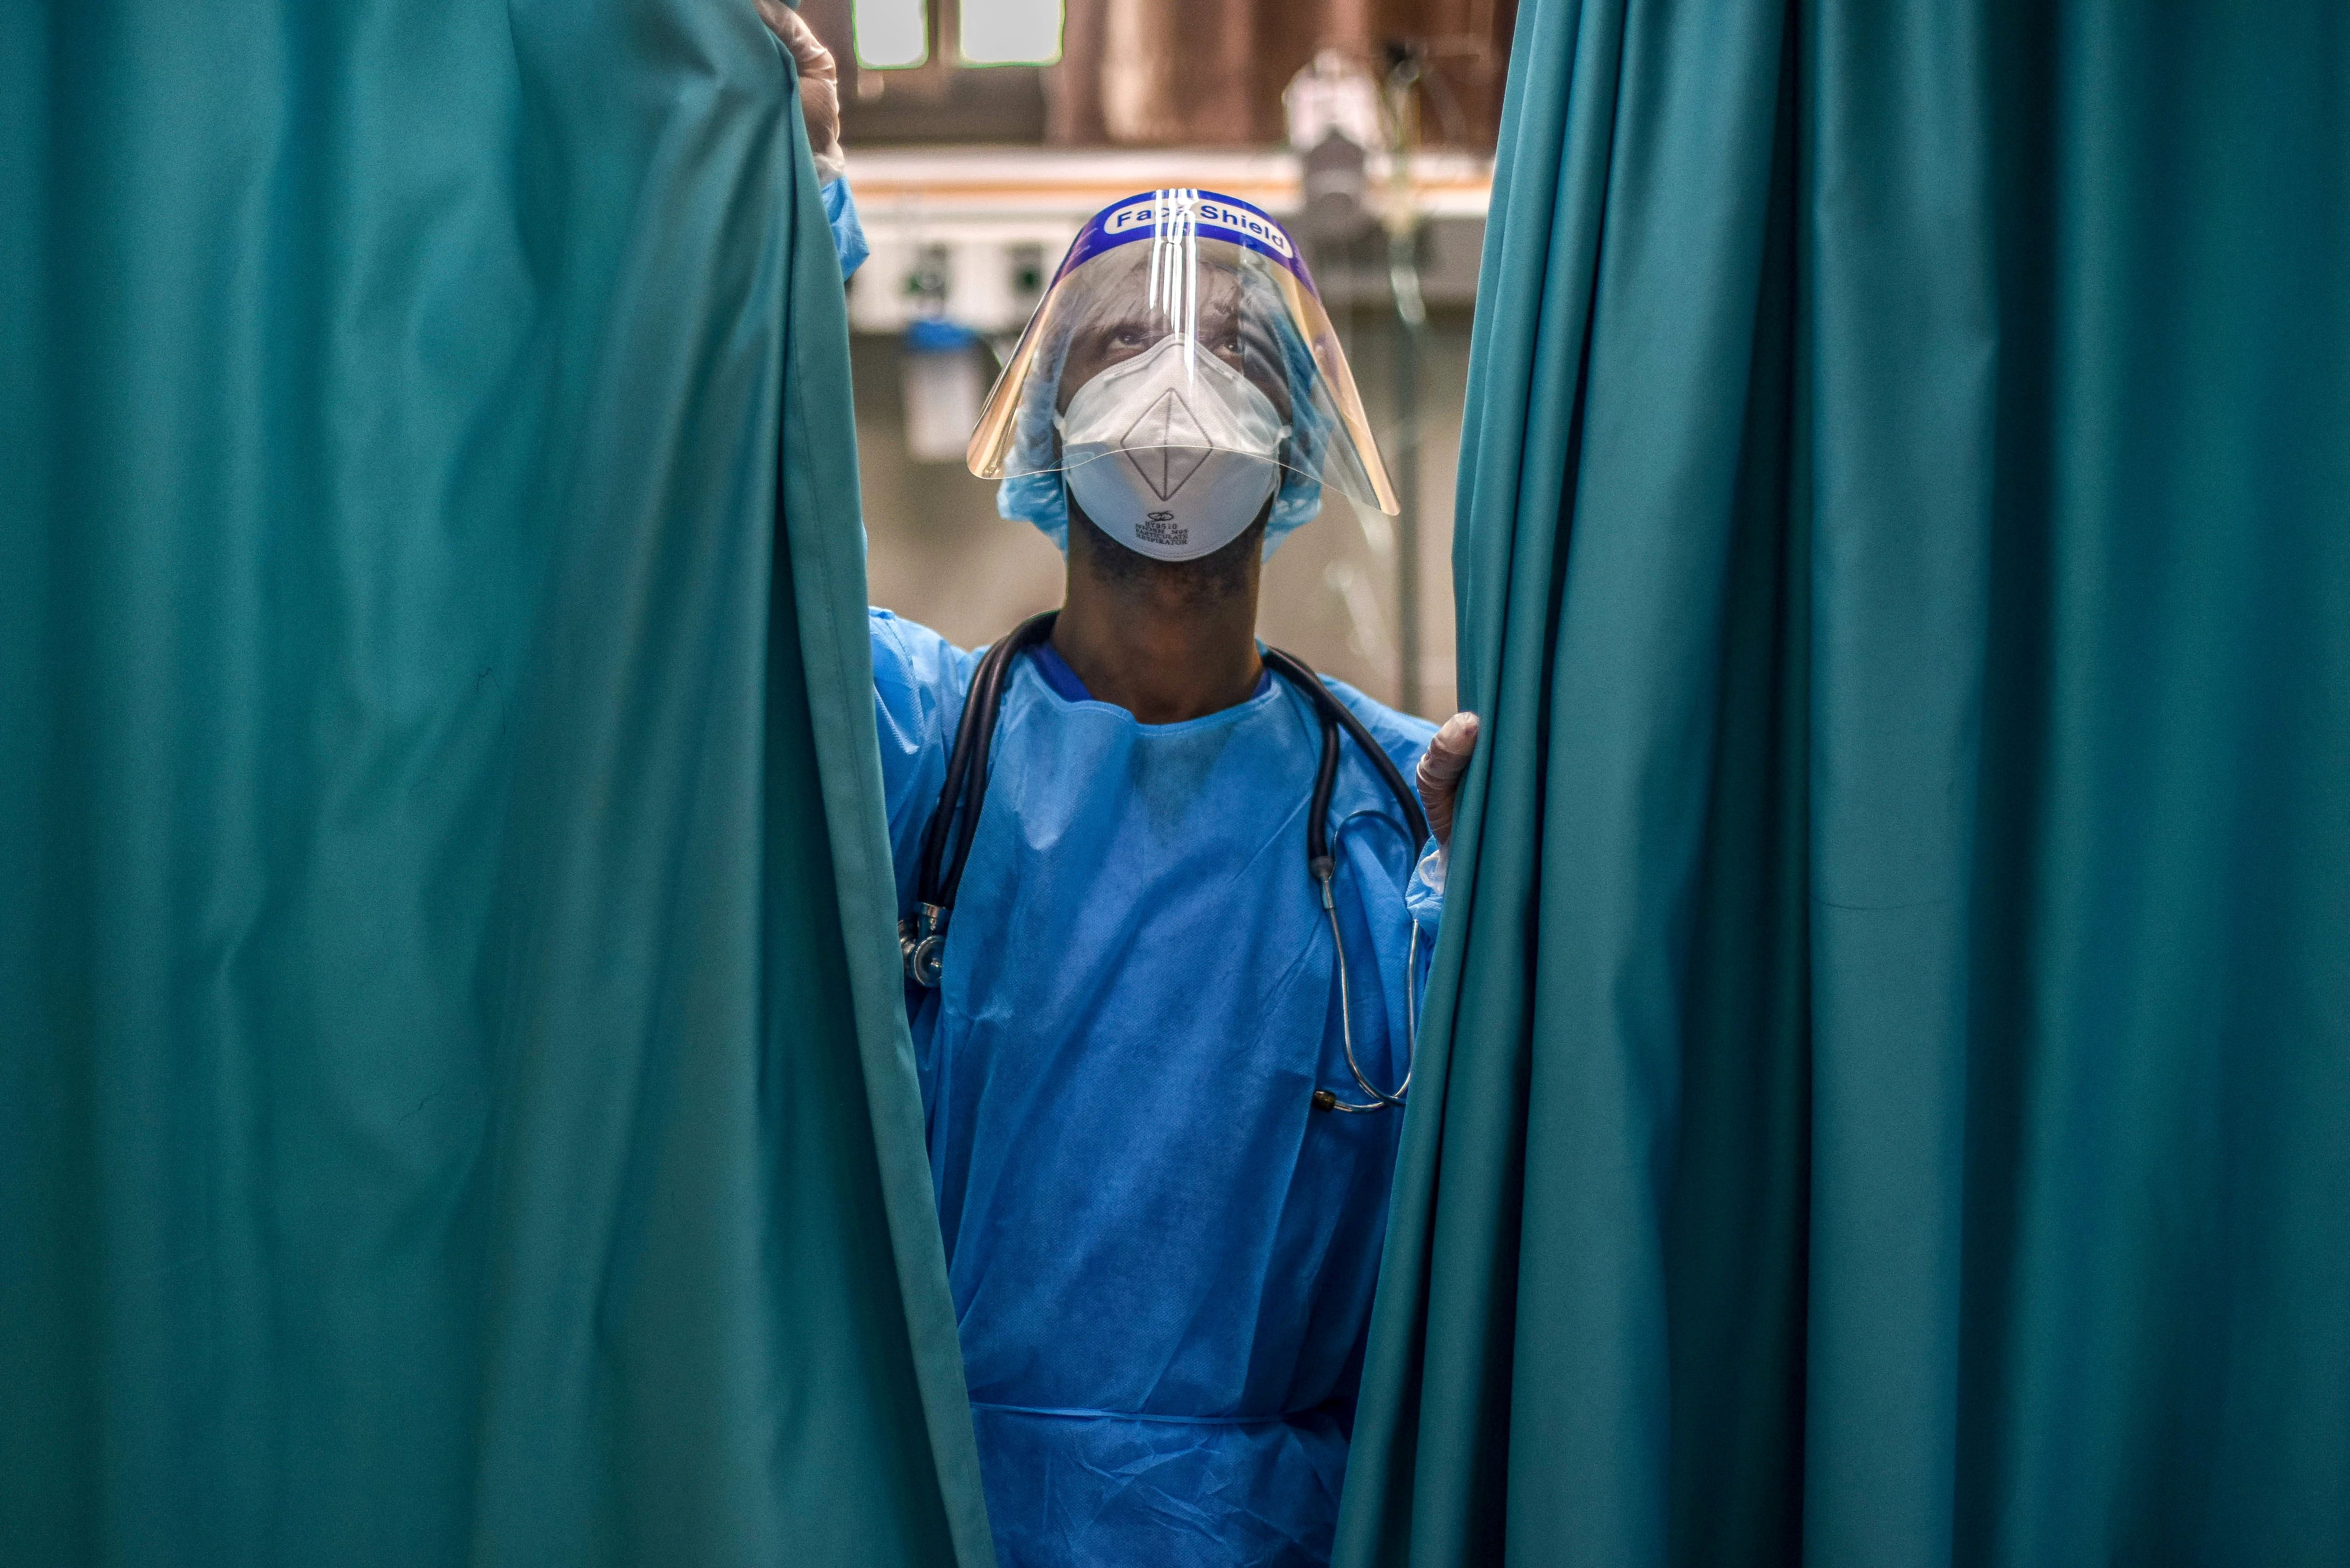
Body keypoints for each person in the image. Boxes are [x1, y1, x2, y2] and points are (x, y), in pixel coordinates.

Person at [764, 12, 1479, 1565]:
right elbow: (729, 554)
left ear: (1292, 433)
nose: (1173, 383)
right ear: (1045, 425)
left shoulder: (1398, 820)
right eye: (1116, 347)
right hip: (941, 1512)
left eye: (1230, 347)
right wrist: (776, 196)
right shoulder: (922, 749)